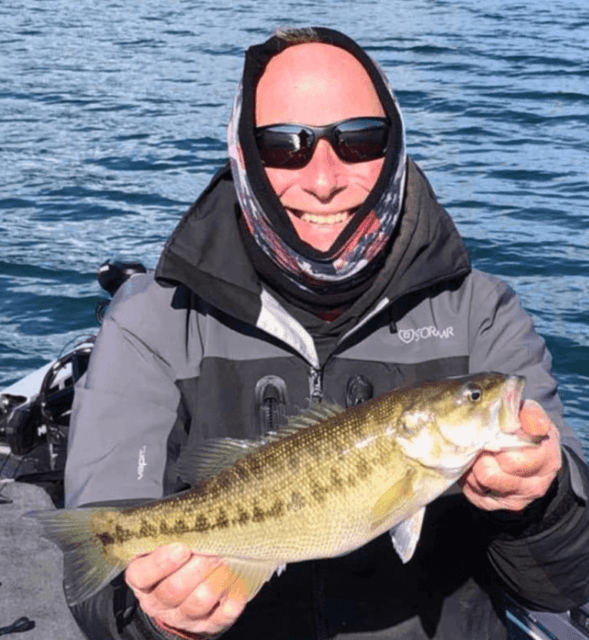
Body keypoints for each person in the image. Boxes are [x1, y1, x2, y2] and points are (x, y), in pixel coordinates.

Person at [64, 27, 589, 640]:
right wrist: (156, 620)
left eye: (359, 140)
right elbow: (101, 597)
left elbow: (567, 584)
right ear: (243, 156)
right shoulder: (150, 322)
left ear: (394, 147)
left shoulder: (483, 313)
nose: (323, 179)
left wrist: (543, 503)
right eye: (284, 146)